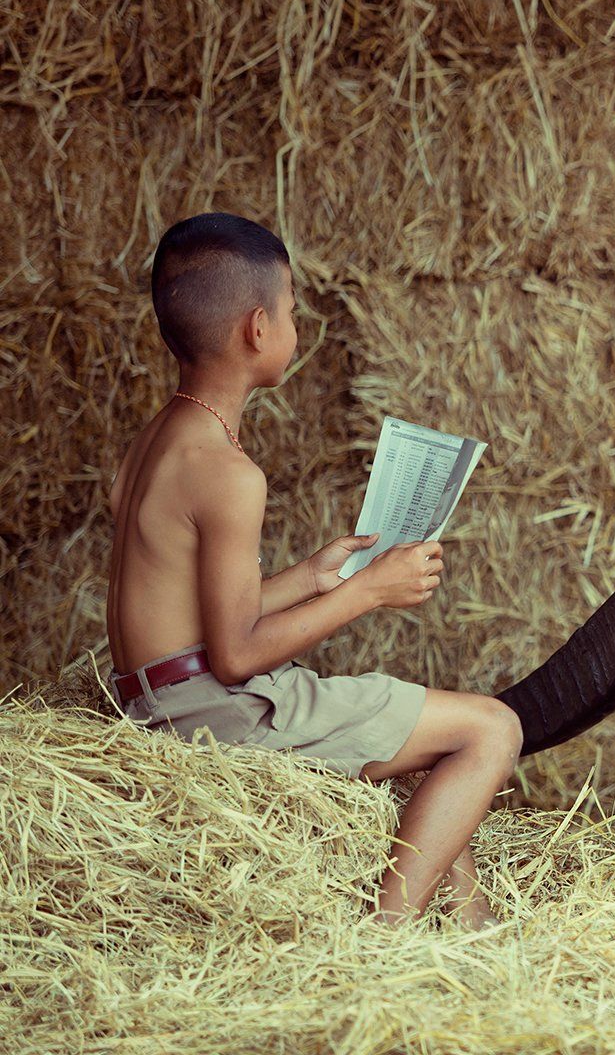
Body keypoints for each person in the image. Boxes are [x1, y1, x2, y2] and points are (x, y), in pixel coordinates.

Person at [105, 211, 523, 928]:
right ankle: (381, 941)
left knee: (427, 740)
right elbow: (235, 657)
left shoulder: (160, 440)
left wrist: (311, 576)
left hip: (159, 701)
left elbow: (197, 616)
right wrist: (368, 591)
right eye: (294, 311)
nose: (298, 329)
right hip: (214, 716)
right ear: (257, 329)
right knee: (492, 730)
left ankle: (473, 936)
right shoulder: (228, 473)